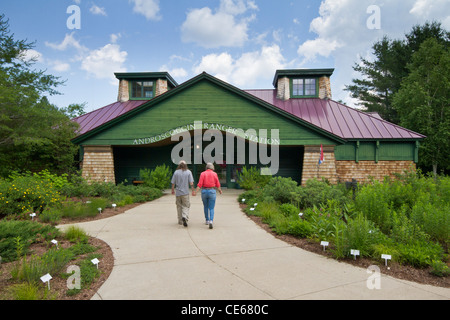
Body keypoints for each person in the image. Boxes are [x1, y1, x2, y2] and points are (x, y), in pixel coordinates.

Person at [196, 163, 222, 229]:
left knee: (205, 206)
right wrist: (219, 190)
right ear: (212, 168)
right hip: (212, 191)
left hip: (204, 191)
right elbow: (217, 184)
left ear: (206, 167)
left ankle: (207, 220)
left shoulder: (202, 174)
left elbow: (200, 184)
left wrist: (195, 192)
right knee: (211, 207)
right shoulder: (214, 174)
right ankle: (211, 221)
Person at [171, 160, 195, 227]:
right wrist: (193, 190)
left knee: (179, 206)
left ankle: (180, 221)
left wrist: (172, 190)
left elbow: (173, 183)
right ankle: (184, 216)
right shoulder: (188, 172)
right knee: (186, 205)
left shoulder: (176, 172)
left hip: (178, 193)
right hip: (185, 192)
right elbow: (191, 183)